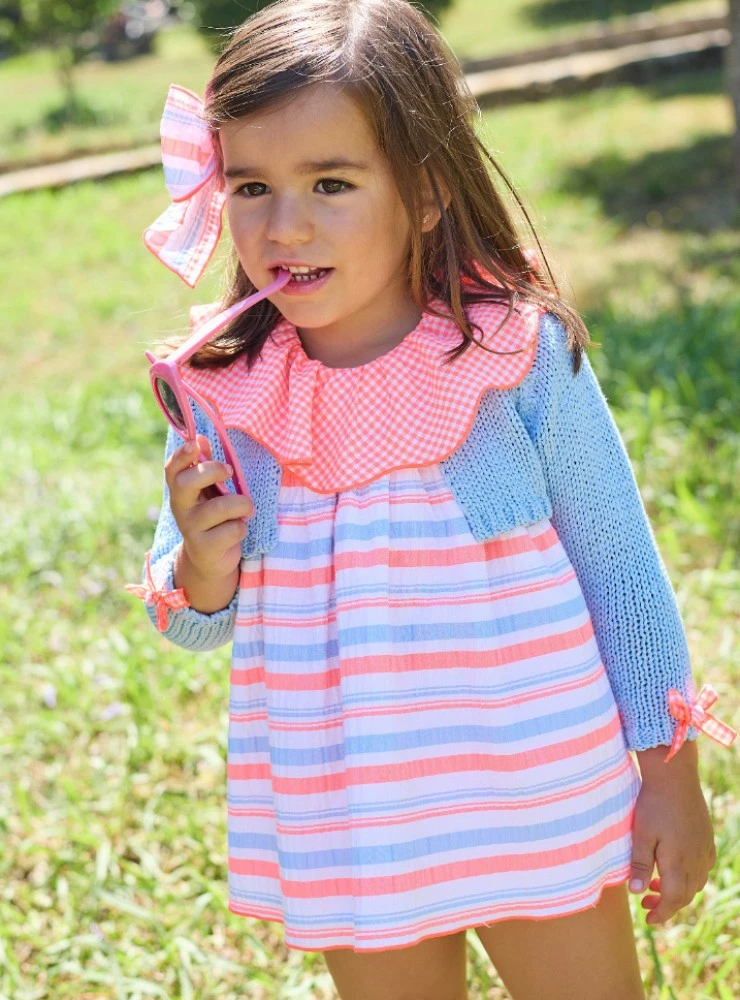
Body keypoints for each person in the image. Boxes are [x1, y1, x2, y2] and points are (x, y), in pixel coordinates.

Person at [124, 1, 736, 997]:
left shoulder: (508, 355)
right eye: (250, 185)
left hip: (535, 783)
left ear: (424, 193)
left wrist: (667, 772)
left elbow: (617, 564)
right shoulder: (223, 388)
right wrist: (199, 564)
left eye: (330, 182)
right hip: (352, 804)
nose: (285, 225)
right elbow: (191, 623)